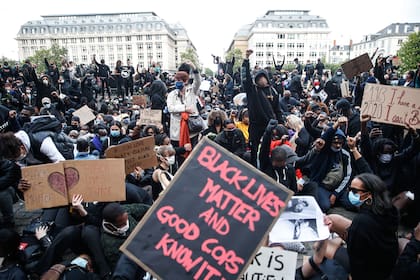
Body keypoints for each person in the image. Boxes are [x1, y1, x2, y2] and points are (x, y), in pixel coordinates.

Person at [297, 173, 399, 280]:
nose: (350, 193)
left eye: (354, 191)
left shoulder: (362, 221)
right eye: (349, 189)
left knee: (319, 246)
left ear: (369, 195)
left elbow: (357, 263)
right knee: (333, 219)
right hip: (384, 259)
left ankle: (305, 272)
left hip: (370, 271)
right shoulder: (388, 210)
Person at [241, 49, 278, 167]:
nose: (261, 79)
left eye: (263, 77)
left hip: (269, 125)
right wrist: (246, 59)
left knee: (267, 150)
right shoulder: (253, 90)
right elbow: (245, 78)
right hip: (256, 126)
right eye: (258, 78)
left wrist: (281, 123)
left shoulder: (274, 91)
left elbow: (277, 109)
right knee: (254, 150)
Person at [167, 61, 201, 147]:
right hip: (177, 131)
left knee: (193, 152)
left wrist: (194, 68)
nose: (178, 82)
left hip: (191, 130)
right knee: (180, 153)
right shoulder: (172, 94)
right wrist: (184, 108)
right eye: (177, 80)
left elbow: (198, 81)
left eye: (180, 80)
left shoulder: (192, 91)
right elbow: (170, 108)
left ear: (186, 81)